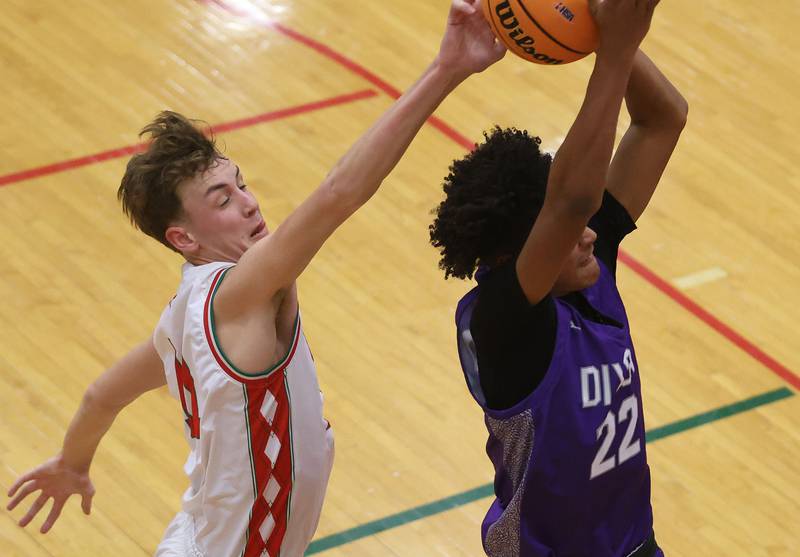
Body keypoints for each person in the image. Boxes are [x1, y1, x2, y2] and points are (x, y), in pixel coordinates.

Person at [5, 2, 506, 555]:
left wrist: (73, 463)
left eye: (241, 184)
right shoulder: (237, 294)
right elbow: (341, 194)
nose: (248, 204)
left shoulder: (182, 319)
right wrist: (447, 70)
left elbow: (102, 395)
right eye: (222, 199)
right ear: (183, 239)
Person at [429, 0, 687, 555]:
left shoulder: (588, 271)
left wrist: (595, 28)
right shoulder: (503, 321)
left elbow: (663, 119)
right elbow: (570, 202)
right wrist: (614, 53)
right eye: (569, 233)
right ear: (513, 256)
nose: (590, 233)